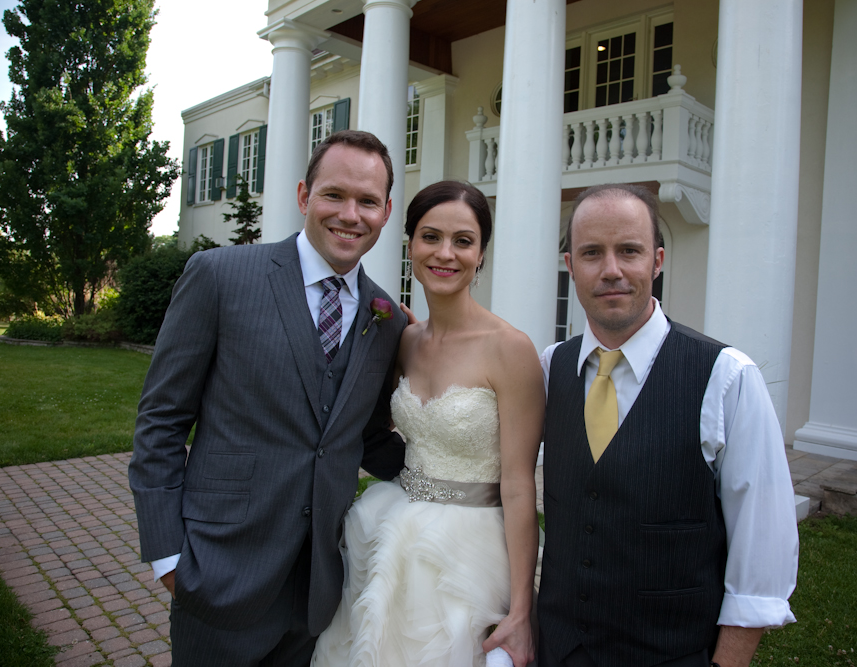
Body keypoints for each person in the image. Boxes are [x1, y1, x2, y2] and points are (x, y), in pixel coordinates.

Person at [128, 130, 409, 666]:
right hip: (219, 573)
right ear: (304, 196)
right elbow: (161, 420)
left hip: (320, 588)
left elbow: (365, 434)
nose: (351, 214)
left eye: (368, 201)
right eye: (334, 195)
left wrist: (448, 480)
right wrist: (168, 557)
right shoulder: (220, 277)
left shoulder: (385, 316)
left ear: (386, 210)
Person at [537, 184, 799, 667]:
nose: (611, 270)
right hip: (559, 649)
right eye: (592, 253)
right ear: (570, 265)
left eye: (629, 251)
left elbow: (762, 550)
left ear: (657, 260)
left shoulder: (726, 376)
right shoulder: (553, 367)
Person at [311, 181, 544, 667]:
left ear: (481, 254)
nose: (445, 253)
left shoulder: (511, 349)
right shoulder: (404, 337)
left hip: (467, 551)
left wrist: (522, 610)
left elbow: (520, 485)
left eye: (463, 241)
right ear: (411, 244)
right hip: (391, 526)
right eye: (430, 237)